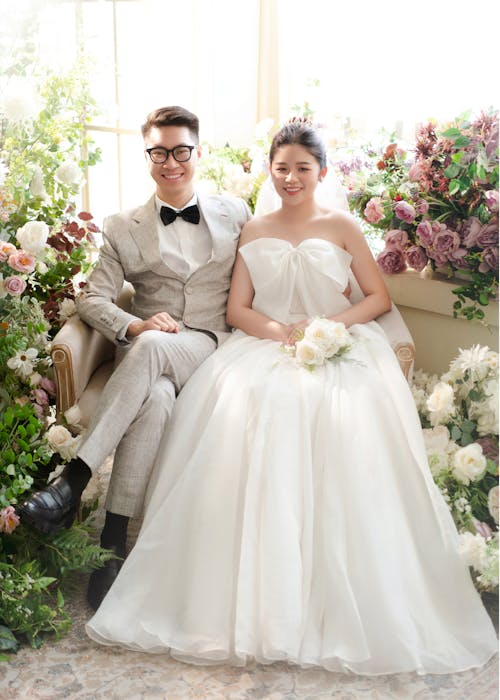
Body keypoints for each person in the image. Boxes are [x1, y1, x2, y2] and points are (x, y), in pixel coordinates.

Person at [85, 118, 497, 673]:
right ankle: (227, 581)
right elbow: (238, 310)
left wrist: (329, 328)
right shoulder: (252, 229)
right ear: (270, 172)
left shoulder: (344, 225)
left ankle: (335, 582)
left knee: (337, 412)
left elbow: (376, 298)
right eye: (282, 168)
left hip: (339, 341)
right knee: (247, 405)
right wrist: (282, 334)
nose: (291, 177)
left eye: (303, 168)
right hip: (265, 343)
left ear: (322, 172)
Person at [17, 105, 251, 610]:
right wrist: (136, 323)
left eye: (181, 150)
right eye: (159, 152)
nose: (171, 162)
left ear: (197, 152)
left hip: (212, 346)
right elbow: (92, 299)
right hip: (151, 352)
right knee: (158, 398)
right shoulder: (123, 225)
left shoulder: (236, 213)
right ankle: (112, 546)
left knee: (150, 351)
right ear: (148, 156)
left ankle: (73, 481)